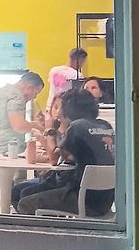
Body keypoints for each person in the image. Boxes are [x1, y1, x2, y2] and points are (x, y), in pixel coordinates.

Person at [16, 87, 114, 217]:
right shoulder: (105, 125)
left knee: (25, 203)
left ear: (68, 109)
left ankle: (47, 230)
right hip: (106, 199)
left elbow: (55, 158)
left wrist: (50, 130)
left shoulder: (77, 126)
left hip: (83, 198)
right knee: (26, 192)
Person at [0, 71, 45, 154]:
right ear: (29, 87)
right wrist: (37, 126)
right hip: (7, 149)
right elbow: (19, 126)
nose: (35, 97)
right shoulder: (17, 97)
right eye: (36, 93)